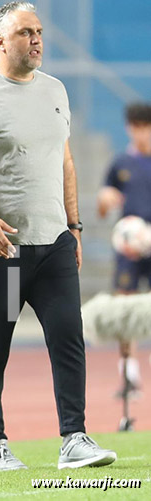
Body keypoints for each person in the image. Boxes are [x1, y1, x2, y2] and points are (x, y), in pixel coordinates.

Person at [0, 1, 117, 470]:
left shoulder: (56, 90)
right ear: (0, 42)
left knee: (68, 338)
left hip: (53, 242)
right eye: (25, 33)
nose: (36, 39)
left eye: (38, 31)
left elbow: (66, 162)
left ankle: (74, 439)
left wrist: (74, 227)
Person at [98, 102, 151, 399]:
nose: (139, 132)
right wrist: (106, 200)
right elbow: (104, 205)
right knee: (125, 307)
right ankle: (129, 376)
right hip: (129, 247)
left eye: (144, 126)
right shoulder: (120, 163)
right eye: (134, 126)